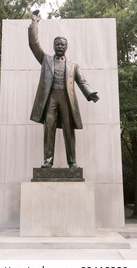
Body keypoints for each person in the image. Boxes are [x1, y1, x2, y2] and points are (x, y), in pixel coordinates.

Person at [28, 11, 99, 170]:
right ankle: (48, 161)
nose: (60, 46)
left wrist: (89, 93)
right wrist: (34, 23)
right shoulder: (45, 60)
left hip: (67, 100)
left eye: (62, 44)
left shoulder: (73, 65)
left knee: (69, 131)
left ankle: (72, 162)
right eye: (57, 44)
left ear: (66, 47)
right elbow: (34, 44)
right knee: (49, 129)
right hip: (50, 99)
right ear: (54, 46)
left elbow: (81, 81)